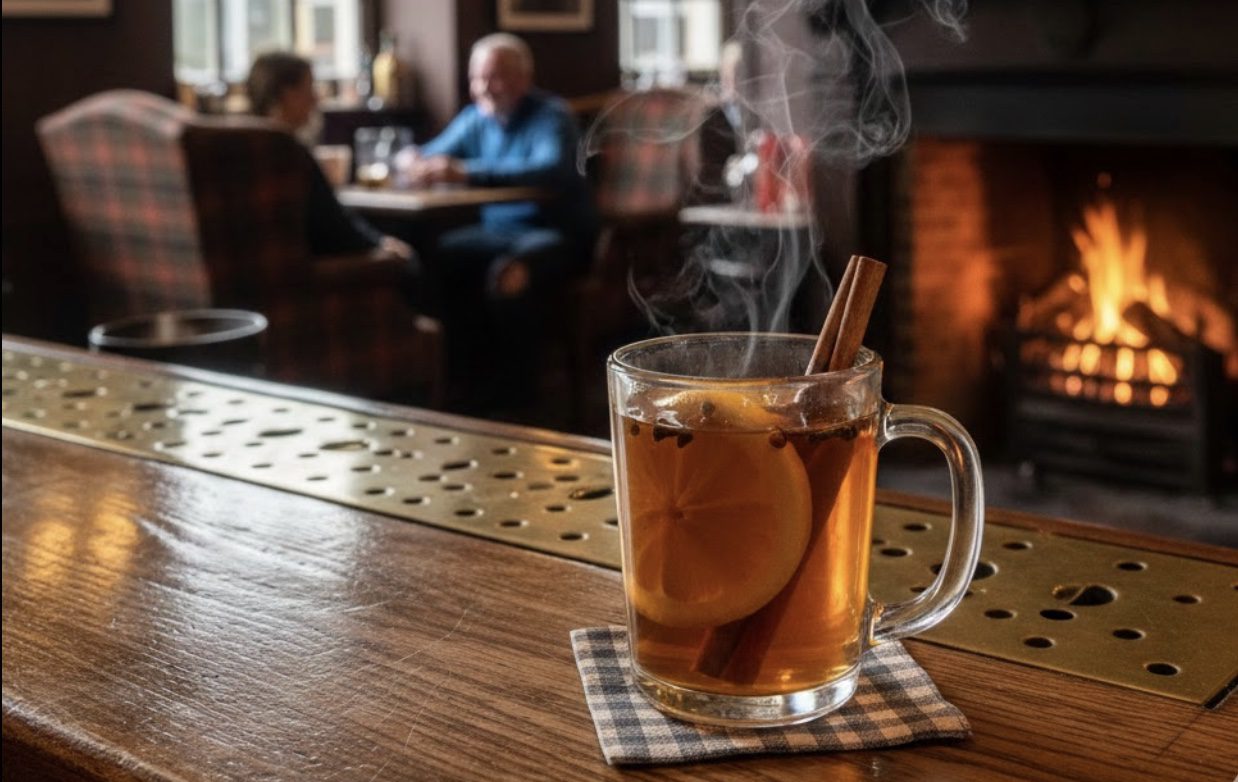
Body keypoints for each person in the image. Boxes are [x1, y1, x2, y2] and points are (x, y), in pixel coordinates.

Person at [401, 33, 598, 414]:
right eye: (477, 79)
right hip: (499, 233)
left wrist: (466, 173)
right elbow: (428, 155)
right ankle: (467, 383)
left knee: (508, 275)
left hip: (557, 233)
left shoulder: (551, 114)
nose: (484, 89)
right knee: (437, 257)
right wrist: (411, 160)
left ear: (524, 78)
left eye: (495, 77)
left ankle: (521, 397)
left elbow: (550, 170)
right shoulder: (476, 117)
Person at [246, 52, 415, 263]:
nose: (316, 98)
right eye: (309, 87)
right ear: (287, 94)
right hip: (314, 278)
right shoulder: (289, 152)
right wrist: (381, 244)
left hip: (256, 274)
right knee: (408, 261)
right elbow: (335, 227)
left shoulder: (241, 149)